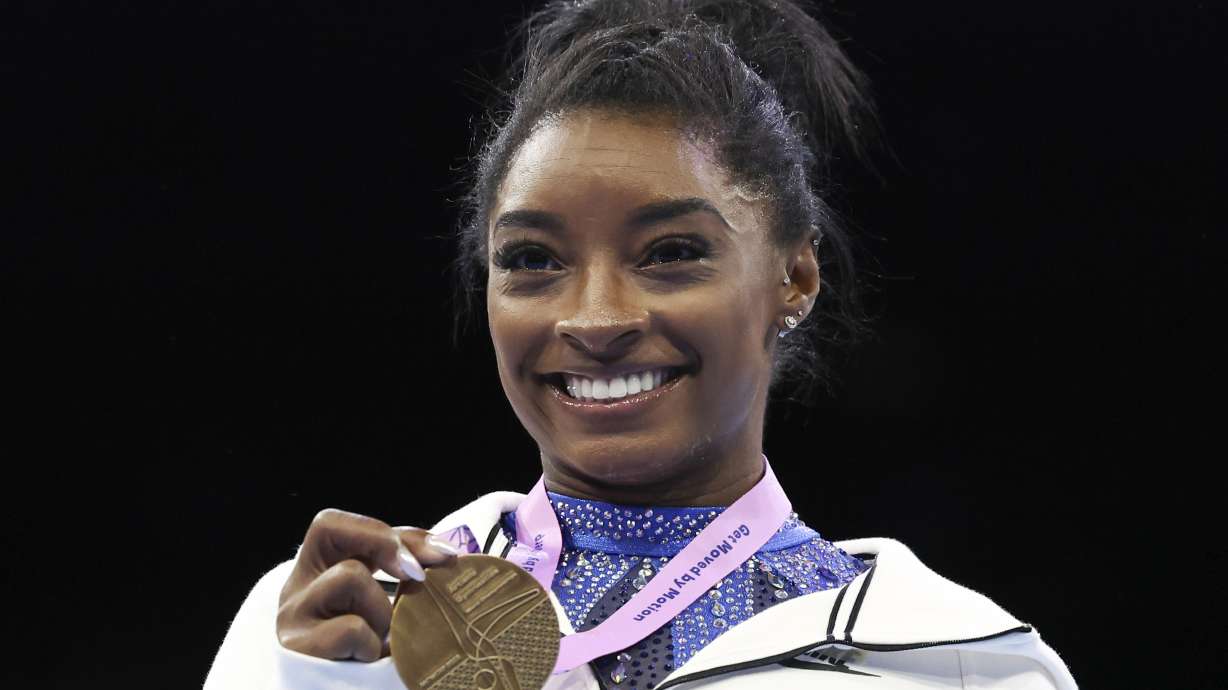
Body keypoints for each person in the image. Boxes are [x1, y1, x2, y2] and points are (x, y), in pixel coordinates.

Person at [205, 1, 1076, 688]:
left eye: (670, 254)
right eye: (533, 260)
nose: (594, 319)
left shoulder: (960, 666)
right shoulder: (325, 628)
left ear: (794, 279)